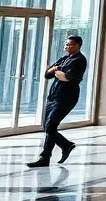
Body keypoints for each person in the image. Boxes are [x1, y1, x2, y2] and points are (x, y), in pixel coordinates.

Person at [27, 35, 87, 168]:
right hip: (53, 95)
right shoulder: (64, 58)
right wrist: (56, 70)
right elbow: (47, 74)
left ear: (77, 45)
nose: (66, 46)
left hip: (66, 97)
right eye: (65, 44)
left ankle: (66, 145)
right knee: (48, 126)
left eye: (69, 44)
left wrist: (57, 70)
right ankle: (46, 157)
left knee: (50, 125)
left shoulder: (79, 60)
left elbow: (66, 76)